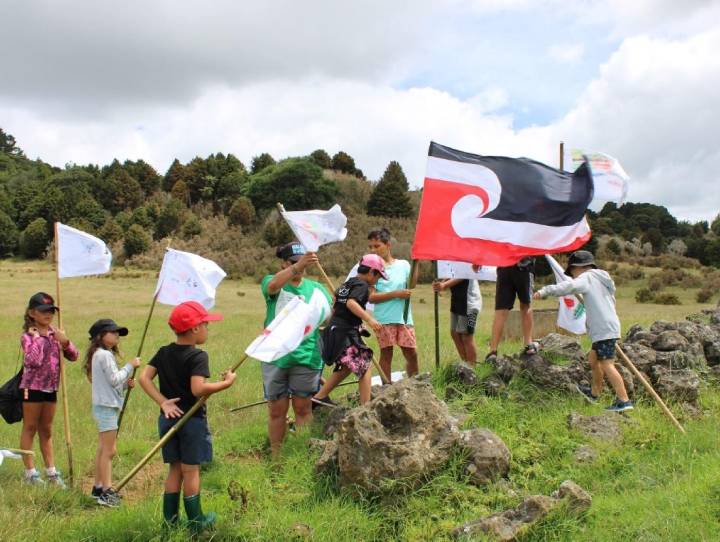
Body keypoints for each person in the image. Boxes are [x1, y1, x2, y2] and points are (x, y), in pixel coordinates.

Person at [139, 301, 236, 532]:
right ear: (194, 329)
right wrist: (225, 383)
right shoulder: (198, 356)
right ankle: (196, 522)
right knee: (190, 470)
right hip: (191, 421)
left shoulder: (163, 352)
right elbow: (197, 389)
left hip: (168, 419)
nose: (207, 330)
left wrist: (163, 402)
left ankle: (170, 523)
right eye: (205, 325)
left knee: (175, 469)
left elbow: (144, 378)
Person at [533, 250, 634, 412]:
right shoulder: (602, 279)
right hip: (605, 327)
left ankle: (624, 400)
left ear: (577, 268)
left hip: (603, 329)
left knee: (607, 364)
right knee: (593, 360)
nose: (572, 276)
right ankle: (595, 393)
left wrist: (545, 291)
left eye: (572, 272)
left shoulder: (587, 278)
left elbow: (569, 287)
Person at [260, 242, 332, 457]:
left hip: (307, 357)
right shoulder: (273, 283)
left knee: (303, 408)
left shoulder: (317, 289)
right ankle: (276, 456)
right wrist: (297, 266)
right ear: (284, 263)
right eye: (293, 262)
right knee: (276, 409)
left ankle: (301, 455)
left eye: (304, 263)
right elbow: (272, 286)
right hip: (275, 357)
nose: (300, 267)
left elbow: (328, 318)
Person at [18, 292, 78, 487]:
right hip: (32, 387)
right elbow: (32, 361)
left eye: (51, 311)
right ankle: (30, 473)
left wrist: (65, 341)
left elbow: (74, 355)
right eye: (43, 311)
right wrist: (37, 339)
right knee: (30, 427)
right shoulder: (27, 336)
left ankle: (51, 472)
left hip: (51, 388)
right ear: (32, 313)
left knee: (47, 430)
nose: (48, 314)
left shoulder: (56, 334)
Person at [313, 254, 385, 407]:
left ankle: (319, 398)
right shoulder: (362, 286)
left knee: (347, 366)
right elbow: (351, 304)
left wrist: (357, 325)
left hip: (335, 330)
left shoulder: (348, 284)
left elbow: (336, 307)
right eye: (378, 277)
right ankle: (366, 408)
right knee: (365, 365)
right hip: (344, 332)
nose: (377, 281)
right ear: (372, 272)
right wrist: (369, 319)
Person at [84, 319, 140, 507]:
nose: (117, 335)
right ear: (100, 336)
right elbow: (115, 379)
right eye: (113, 332)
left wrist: (125, 385)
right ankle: (107, 492)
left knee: (102, 448)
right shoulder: (105, 356)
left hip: (103, 405)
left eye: (118, 333)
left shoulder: (100, 354)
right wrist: (130, 366)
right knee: (109, 450)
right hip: (107, 407)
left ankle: (98, 487)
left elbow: (111, 384)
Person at [367, 228, 418, 379]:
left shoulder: (403, 265)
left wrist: (417, 262)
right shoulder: (372, 268)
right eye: (370, 247)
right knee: (386, 354)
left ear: (388, 245)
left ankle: (417, 384)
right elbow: (371, 297)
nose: (373, 250)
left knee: (411, 352)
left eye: (377, 246)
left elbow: (412, 284)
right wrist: (395, 294)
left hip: (404, 317)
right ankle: (386, 389)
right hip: (384, 318)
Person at [486, 257, 537, 361]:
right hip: (523, 265)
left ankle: (493, 351)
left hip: (505, 264)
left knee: (501, 310)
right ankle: (528, 344)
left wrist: (480, 260)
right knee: (525, 305)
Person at [433, 278, 481, 365]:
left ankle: (472, 370)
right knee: (454, 333)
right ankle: (465, 365)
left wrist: (444, 285)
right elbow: (453, 273)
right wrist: (442, 281)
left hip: (470, 301)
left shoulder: (466, 264)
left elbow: (463, 274)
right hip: (457, 299)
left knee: (466, 336)